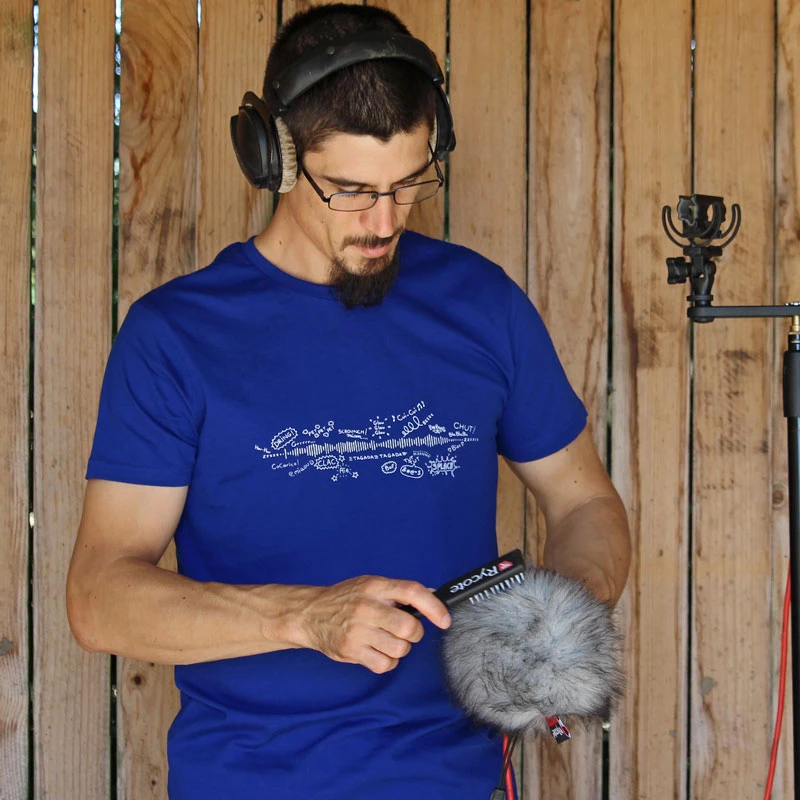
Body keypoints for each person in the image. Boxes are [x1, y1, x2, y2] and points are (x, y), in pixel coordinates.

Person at [66, 4, 631, 798]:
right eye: (351, 189)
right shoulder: (175, 336)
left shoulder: (481, 304)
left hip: (457, 778)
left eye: (408, 183)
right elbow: (99, 598)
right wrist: (301, 618)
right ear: (273, 157)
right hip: (250, 779)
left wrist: (559, 615)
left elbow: (585, 505)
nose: (384, 221)